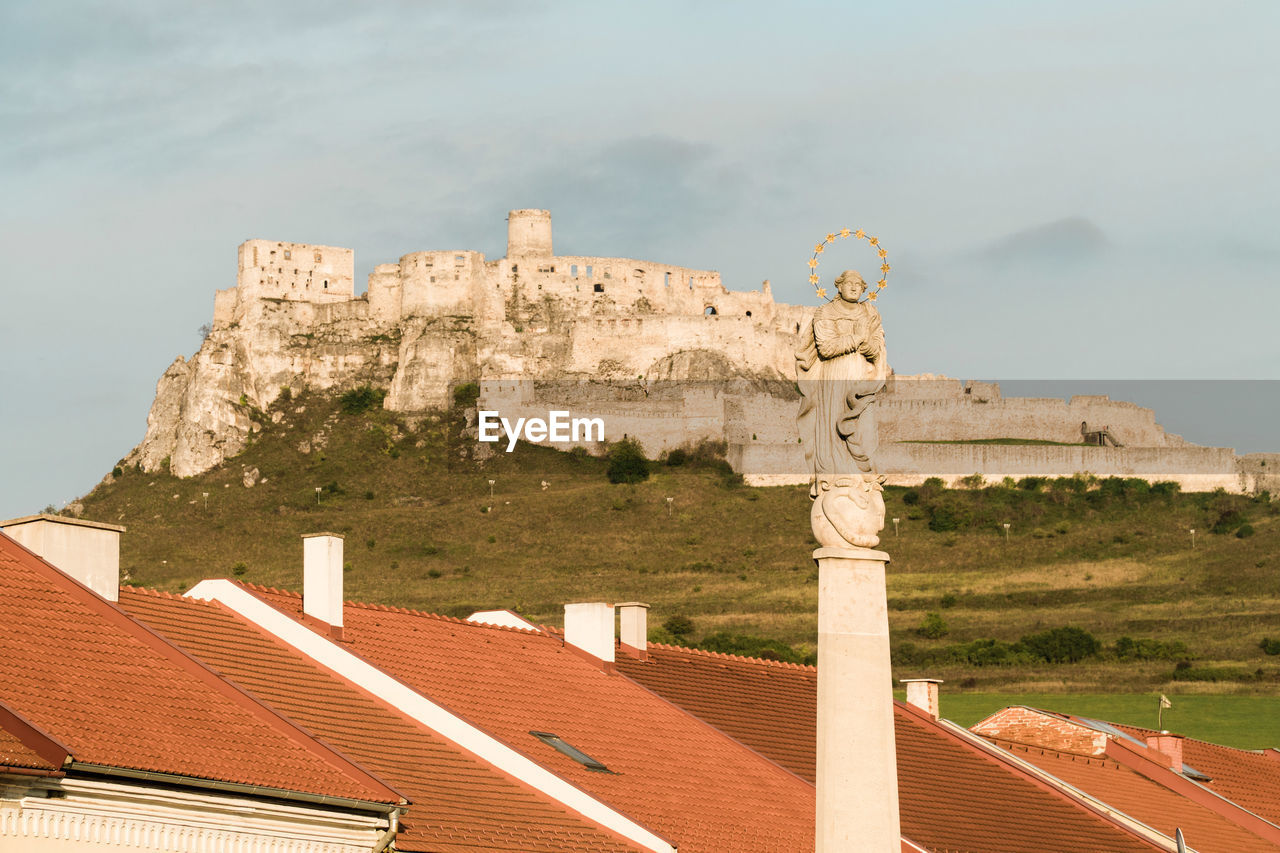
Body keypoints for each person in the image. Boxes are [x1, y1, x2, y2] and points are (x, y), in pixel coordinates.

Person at [795, 270, 890, 489]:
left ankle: (865, 471)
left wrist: (867, 346)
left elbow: (876, 346)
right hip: (834, 375)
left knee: (864, 427)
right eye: (850, 283)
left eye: (859, 284)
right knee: (833, 427)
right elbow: (826, 348)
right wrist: (856, 338)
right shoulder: (826, 312)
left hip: (861, 376)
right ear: (839, 286)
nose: (855, 287)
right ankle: (835, 474)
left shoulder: (870, 312)